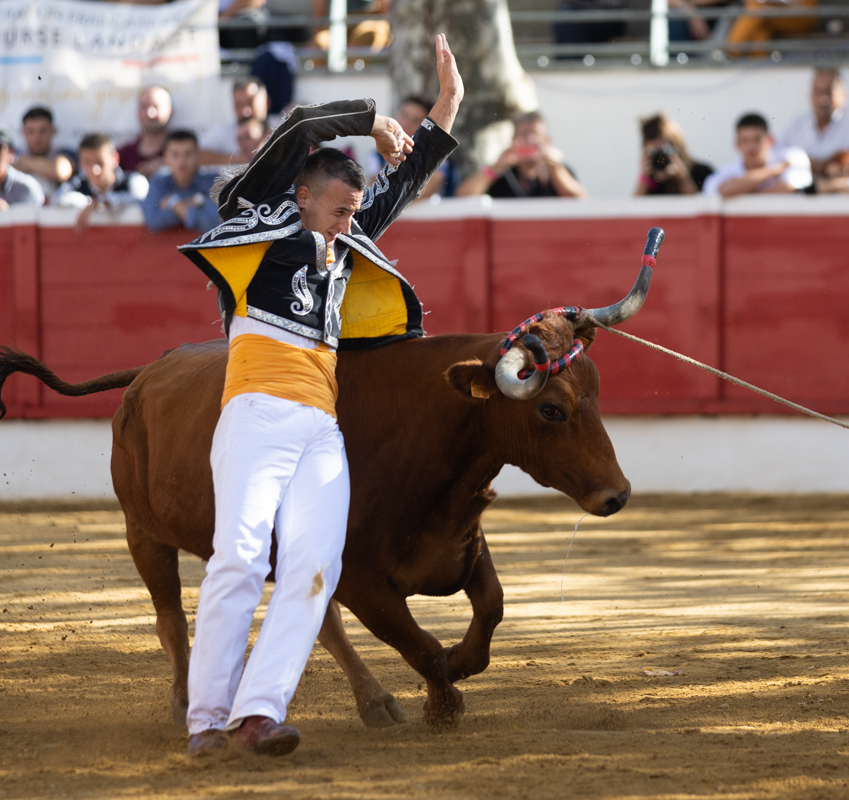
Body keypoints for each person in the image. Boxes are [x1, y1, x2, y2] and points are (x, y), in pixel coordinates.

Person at [175, 33, 463, 758]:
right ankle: (207, 719)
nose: (348, 225)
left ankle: (257, 714)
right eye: (337, 210)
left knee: (314, 567)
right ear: (297, 196)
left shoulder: (341, 235)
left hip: (318, 426)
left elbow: (406, 177)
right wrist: (368, 116)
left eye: (353, 214)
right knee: (239, 556)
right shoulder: (255, 219)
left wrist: (447, 107)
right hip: (256, 411)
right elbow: (303, 125)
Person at [779, 68, 849, 175]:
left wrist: (844, 159)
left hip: (845, 192)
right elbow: (777, 154)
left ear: (844, 95)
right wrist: (818, 165)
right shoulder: (796, 124)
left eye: (828, 92)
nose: (822, 99)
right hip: (802, 193)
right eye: (817, 91)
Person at [457, 111, 586, 198]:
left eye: (534, 135)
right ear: (513, 141)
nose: (529, 140)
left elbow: (581, 200)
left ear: (547, 141)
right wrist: (494, 169)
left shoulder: (560, 170)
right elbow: (463, 197)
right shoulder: (503, 174)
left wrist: (557, 170)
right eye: (523, 135)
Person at [366, 95, 459, 199]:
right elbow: (374, 190)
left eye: (415, 121)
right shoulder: (377, 155)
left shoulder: (436, 155)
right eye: (404, 115)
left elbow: (431, 186)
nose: (405, 123)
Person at [53, 134, 149, 233]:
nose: (95, 170)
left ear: (115, 159)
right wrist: (90, 202)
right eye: (87, 162)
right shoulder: (77, 183)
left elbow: (141, 198)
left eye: (100, 162)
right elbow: (57, 199)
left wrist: (100, 202)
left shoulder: (133, 180)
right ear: (80, 163)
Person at [703, 113, 812, 197]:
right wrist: (774, 170)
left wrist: (744, 189)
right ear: (737, 144)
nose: (751, 146)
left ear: (770, 140)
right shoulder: (727, 169)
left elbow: (789, 188)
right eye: (745, 140)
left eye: (757, 139)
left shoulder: (792, 155)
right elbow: (723, 190)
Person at [141, 130, 221, 234]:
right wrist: (191, 203)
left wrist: (174, 203)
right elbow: (153, 221)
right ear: (166, 158)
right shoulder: (158, 184)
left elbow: (211, 223)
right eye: (175, 154)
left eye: (188, 154)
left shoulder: (214, 182)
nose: (181, 161)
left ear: (198, 155)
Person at [635, 113, 713, 196]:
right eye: (654, 153)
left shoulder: (702, 172)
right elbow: (633, 207)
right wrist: (644, 178)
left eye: (664, 151)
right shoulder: (651, 183)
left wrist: (682, 178)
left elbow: (701, 206)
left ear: (678, 147)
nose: (660, 159)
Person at [201, 77, 270, 166]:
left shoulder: (282, 126)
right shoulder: (223, 132)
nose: (245, 112)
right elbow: (197, 155)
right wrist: (243, 159)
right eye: (239, 105)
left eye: (250, 103)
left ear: (267, 102)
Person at [14, 106, 76, 199]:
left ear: (53, 130)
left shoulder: (65, 153)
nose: (37, 137)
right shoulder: (14, 152)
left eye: (43, 131)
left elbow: (60, 172)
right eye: (31, 131)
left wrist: (23, 162)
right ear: (23, 132)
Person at [727, 0, 817, 56]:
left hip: (801, 18)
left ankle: (732, 51)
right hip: (773, 14)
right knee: (760, 20)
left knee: (757, 10)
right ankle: (757, 59)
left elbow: (807, 9)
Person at [118, 86, 173, 177]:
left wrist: (165, 164)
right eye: (144, 106)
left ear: (171, 111)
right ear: (138, 111)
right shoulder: (123, 154)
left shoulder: (182, 148)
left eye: (156, 106)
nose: (150, 113)